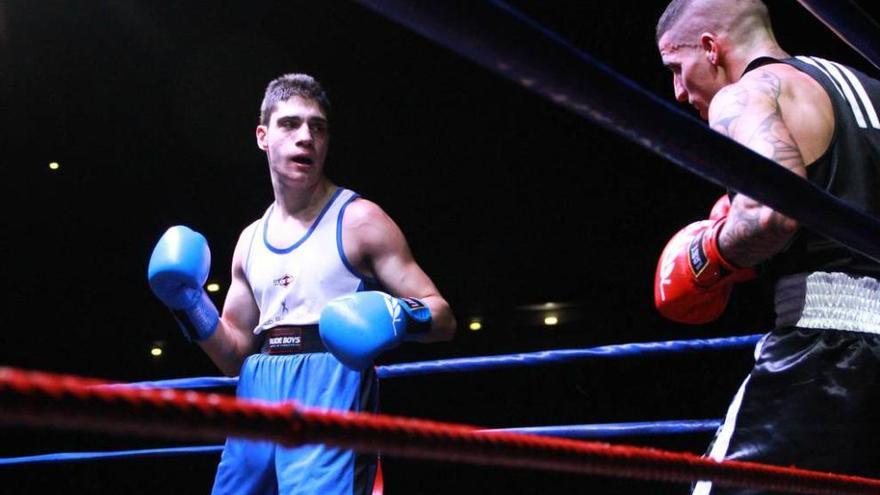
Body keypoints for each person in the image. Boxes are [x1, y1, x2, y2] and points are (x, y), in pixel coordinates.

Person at [147, 73, 456, 495]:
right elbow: (235, 356)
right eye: (290, 124)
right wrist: (189, 305)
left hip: (332, 390)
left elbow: (442, 315)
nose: (306, 137)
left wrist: (398, 316)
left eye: (318, 127)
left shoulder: (360, 220)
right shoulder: (250, 240)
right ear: (263, 136)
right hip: (257, 395)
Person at [652, 1, 880, 493]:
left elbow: (769, 216)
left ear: (711, 48)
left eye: (677, 66)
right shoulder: (868, 86)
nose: (677, 90)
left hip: (827, 349)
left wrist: (709, 254)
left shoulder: (747, 97)